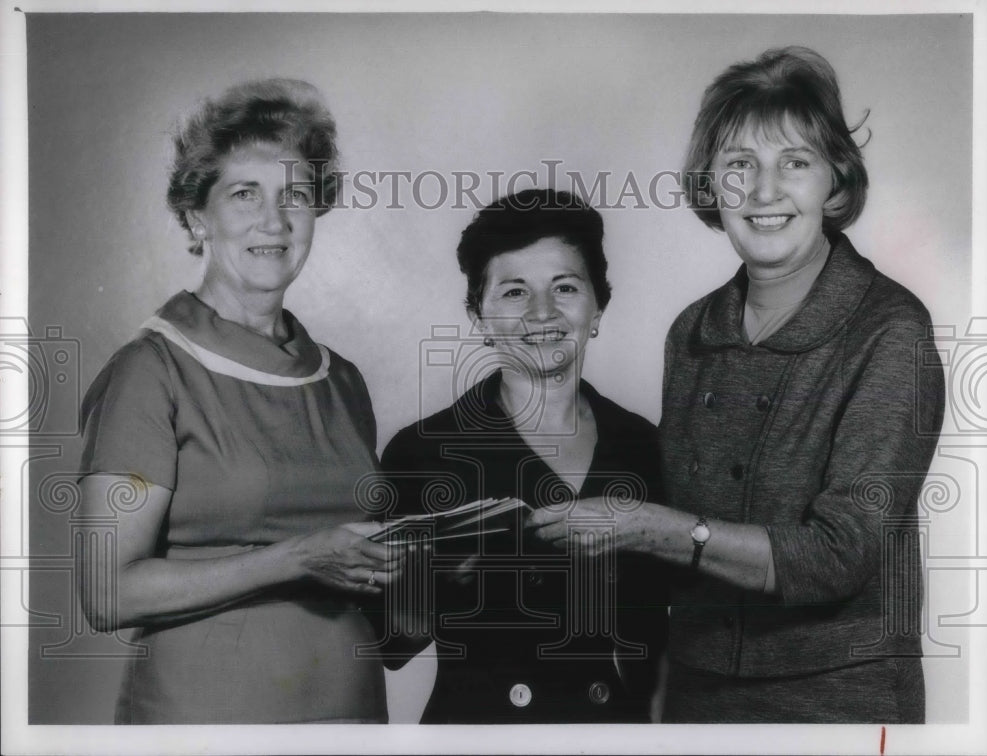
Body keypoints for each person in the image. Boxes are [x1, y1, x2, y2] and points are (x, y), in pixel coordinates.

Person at [528, 47, 945, 723]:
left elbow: (840, 555)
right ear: (711, 184)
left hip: (837, 701)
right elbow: (664, 545)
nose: (763, 192)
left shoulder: (890, 331)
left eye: (795, 163)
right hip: (696, 694)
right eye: (739, 164)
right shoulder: (692, 333)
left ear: (835, 182)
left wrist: (658, 529)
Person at [77, 78, 400, 724]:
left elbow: (377, 609)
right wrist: (293, 558)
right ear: (199, 215)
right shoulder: (154, 369)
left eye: (295, 195)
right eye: (245, 193)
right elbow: (105, 590)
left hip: (349, 723)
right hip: (202, 724)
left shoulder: (343, 381)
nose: (274, 220)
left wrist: (432, 569)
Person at [379, 189, 667, 723]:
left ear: (598, 306)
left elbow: (672, 633)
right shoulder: (421, 452)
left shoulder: (647, 447)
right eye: (514, 292)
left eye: (565, 287)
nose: (542, 312)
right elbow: (390, 647)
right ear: (479, 316)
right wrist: (433, 586)